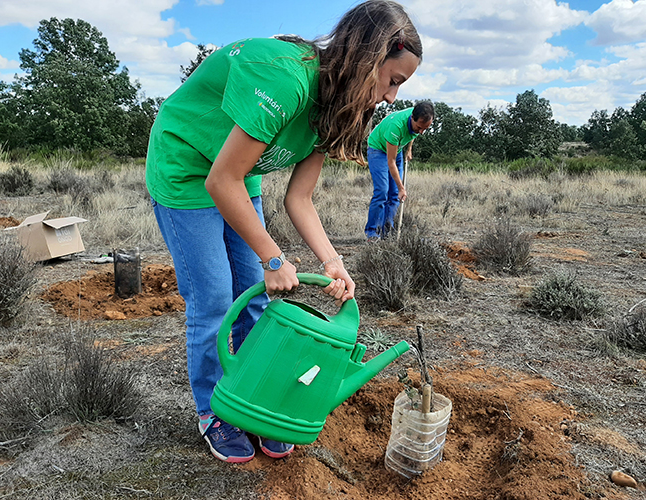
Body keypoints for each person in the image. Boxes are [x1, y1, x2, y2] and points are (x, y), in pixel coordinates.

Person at [145, 0, 423, 463]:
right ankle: (215, 410)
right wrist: (274, 259)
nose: (393, 97)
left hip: (237, 173)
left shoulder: (336, 104)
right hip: (187, 168)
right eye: (393, 80)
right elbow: (219, 180)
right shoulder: (285, 77)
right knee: (214, 299)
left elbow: (299, 198)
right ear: (368, 56)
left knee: (253, 296)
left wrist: (332, 263)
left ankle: (259, 398)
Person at [364, 101, 434, 240]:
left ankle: (387, 232)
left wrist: (409, 149)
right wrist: (402, 187)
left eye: (425, 129)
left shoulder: (419, 120)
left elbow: (413, 134)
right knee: (382, 192)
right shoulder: (396, 127)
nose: (421, 132)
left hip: (398, 149)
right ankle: (372, 232)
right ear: (412, 118)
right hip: (378, 149)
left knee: (395, 195)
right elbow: (391, 162)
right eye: (419, 127)